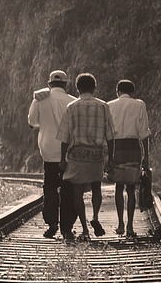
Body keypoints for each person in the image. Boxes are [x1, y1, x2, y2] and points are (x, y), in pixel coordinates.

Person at [58, 73, 114, 242]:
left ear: (77, 88)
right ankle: (95, 217)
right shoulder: (103, 106)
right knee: (97, 188)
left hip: (77, 156)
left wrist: (62, 159)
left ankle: (84, 229)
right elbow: (110, 135)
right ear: (94, 88)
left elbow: (65, 136)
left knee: (77, 192)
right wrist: (110, 158)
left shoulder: (72, 107)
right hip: (96, 155)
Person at [28, 70, 77, 238]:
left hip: (48, 151)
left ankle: (52, 223)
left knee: (50, 187)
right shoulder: (73, 101)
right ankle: (67, 227)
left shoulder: (39, 100)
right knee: (68, 189)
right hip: (68, 152)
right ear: (66, 84)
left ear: (49, 84)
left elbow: (32, 122)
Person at [107, 79, 151, 238]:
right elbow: (144, 133)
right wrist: (146, 156)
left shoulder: (109, 105)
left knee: (119, 187)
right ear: (132, 92)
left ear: (117, 91)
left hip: (116, 148)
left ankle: (120, 224)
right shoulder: (139, 104)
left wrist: (107, 156)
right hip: (133, 148)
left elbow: (108, 133)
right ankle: (130, 227)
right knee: (131, 188)